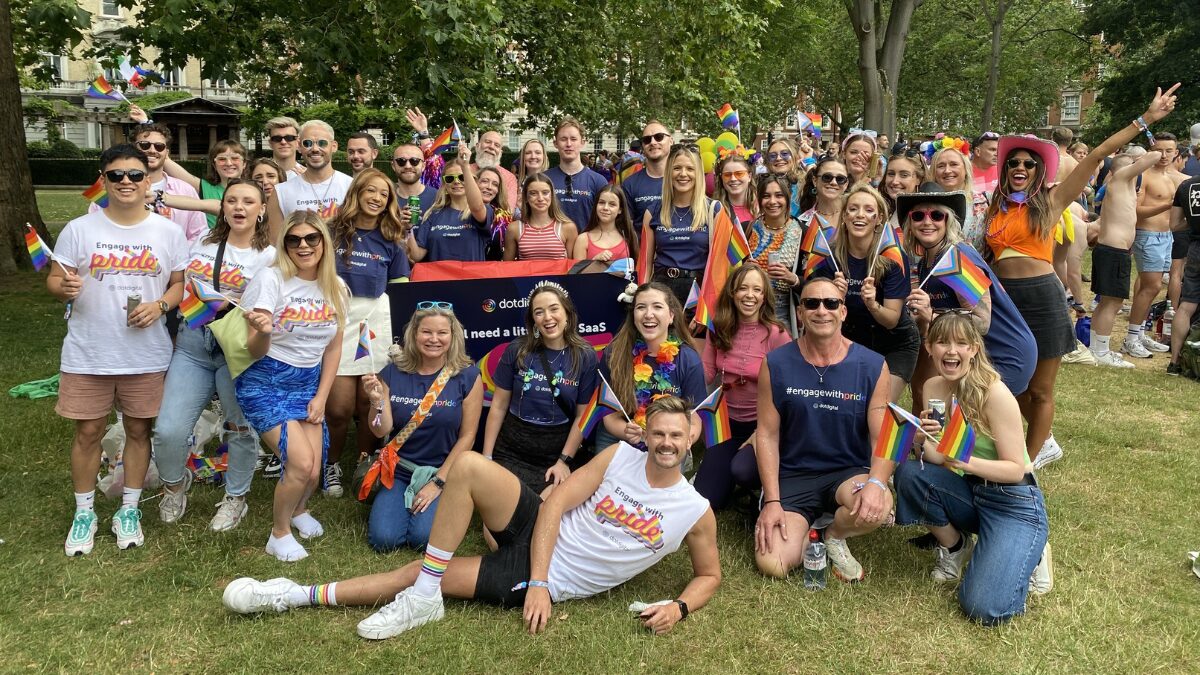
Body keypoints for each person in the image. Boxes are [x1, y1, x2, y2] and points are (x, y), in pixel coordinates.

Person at [222, 396, 720, 641]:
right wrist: (540, 579)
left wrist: (679, 606)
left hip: (545, 574)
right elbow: (556, 502)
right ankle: (425, 596)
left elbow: (710, 575)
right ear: (645, 433)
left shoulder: (694, 511)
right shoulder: (618, 458)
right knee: (468, 466)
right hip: (540, 538)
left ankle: (290, 593)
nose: (667, 444)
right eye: (658, 433)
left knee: (416, 573)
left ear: (690, 439)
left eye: (676, 436)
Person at [983, 84, 1180, 468]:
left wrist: (1147, 119)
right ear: (1005, 169)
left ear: (1039, 170)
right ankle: (1046, 440)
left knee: (1040, 389)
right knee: (1004, 383)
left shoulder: (1052, 200)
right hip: (1005, 300)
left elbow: (1099, 155)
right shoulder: (997, 206)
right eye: (1013, 164)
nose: (1020, 169)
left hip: (1041, 297)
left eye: (1028, 164)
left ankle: (1031, 457)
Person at [49, 144, 188, 555]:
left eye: (134, 174)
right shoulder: (80, 229)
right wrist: (65, 287)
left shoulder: (168, 232)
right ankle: (84, 511)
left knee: (138, 430)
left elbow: (180, 285)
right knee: (88, 431)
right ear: (103, 180)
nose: (126, 182)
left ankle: (129, 508)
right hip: (88, 350)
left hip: (146, 352)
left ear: (147, 180)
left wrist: (160, 304)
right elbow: (56, 283)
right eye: (116, 175)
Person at [894, 313, 1051, 625]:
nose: (951, 351)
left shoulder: (994, 393)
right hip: (971, 492)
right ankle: (956, 546)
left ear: (974, 349)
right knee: (910, 474)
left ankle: (1033, 549)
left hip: (1013, 502)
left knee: (983, 607)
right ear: (929, 347)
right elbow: (937, 458)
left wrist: (963, 461)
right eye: (942, 342)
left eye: (961, 343)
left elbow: (1015, 469)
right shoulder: (934, 387)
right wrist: (925, 436)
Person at [153, 179, 276, 531]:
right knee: (169, 430)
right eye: (232, 200)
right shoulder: (202, 242)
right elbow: (179, 283)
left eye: (248, 201)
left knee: (239, 428)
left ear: (261, 209)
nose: (239, 207)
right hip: (193, 347)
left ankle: (236, 498)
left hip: (236, 350)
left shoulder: (270, 255)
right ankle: (175, 486)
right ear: (222, 207)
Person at [754, 277, 892, 581]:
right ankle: (810, 528)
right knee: (772, 563)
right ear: (800, 312)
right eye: (811, 303)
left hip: (848, 472)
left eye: (831, 303)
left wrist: (877, 484)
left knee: (878, 508)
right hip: (794, 474)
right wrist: (772, 502)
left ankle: (832, 533)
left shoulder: (872, 365)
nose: (821, 310)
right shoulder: (775, 363)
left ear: (843, 312)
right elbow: (766, 434)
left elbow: (883, 436)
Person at [235, 211, 347, 562]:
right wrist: (264, 332)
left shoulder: (336, 287)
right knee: (299, 464)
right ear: (283, 245)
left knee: (314, 468)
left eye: (311, 238)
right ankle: (278, 532)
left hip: (309, 381)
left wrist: (322, 395)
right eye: (293, 239)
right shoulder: (271, 279)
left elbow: (334, 346)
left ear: (323, 243)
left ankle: (299, 510)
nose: (303, 245)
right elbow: (252, 350)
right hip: (265, 379)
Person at [358, 304, 483, 551]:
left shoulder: (468, 376)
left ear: (453, 336)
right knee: (384, 541)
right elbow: (381, 431)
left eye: (442, 333)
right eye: (426, 332)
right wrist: (375, 402)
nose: (434, 339)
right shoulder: (393, 373)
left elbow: (467, 437)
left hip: (444, 473)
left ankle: (450, 500)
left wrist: (437, 483)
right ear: (414, 334)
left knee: (422, 540)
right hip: (399, 470)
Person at [900, 184, 1036, 400]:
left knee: (976, 422)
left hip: (1003, 352)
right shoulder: (930, 261)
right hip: (970, 353)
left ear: (948, 221)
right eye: (918, 215)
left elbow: (982, 323)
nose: (927, 222)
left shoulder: (955, 259)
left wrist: (931, 316)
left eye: (936, 215)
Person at [322, 168, 411, 497]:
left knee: (366, 404)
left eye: (383, 194)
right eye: (370, 191)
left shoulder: (392, 239)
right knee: (338, 408)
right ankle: (330, 464)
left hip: (372, 326)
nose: (376, 198)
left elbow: (401, 291)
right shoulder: (331, 232)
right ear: (356, 194)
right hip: (337, 322)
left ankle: (363, 461)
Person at [482, 284, 599, 496]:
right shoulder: (517, 350)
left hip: (556, 451)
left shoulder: (585, 356)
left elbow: (583, 416)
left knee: (545, 509)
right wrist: (487, 458)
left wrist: (564, 461)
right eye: (539, 312)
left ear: (567, 314)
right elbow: (498, 406)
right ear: (533, 320)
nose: (547, 317)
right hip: (512, 449)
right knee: (501, 516)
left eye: (554, 309)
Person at [694, 264, 790, 509]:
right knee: (707, 501)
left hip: (762, 426)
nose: (750, 295)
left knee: (743, 471)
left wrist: (763, 433)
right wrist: (677, 378)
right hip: (726, 424)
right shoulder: (719, 328)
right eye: (743, 289)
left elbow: (788, 391)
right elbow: (705, 373)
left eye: (757, 290)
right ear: (732, 293)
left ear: (764, 296)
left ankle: (764, 482)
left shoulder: (777, 334)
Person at [814, 185, 920, 401]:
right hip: (852, 340)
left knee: (878, 410)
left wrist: (873, 304)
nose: (860, 215)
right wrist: (835, 298)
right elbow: (816, 311)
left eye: (868, 210)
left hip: (894, 342)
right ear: (844, 215)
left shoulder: (892, 258)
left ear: (879, 218)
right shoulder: (829, 257)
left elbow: (891, 319)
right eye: (853, 209)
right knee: (847, 408)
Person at [596, 283, 706, 451]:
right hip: (619, 438)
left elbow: (695, 417)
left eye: (657, 307)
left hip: (667, 444)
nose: (648, 314)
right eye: (641, 307)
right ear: (633, 315)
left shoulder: (688, 359)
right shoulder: (615, 353)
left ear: (671, 316)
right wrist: (629, 433)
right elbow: (609, 416)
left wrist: (682, 441)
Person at [1089, 152, 1162, 368]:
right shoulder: (1120, 179)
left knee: (1108, 302)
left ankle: (1097, 348)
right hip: (1113, 251)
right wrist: (1141, 152)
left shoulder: (1126, 186)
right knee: (1112, 302)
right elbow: (1154, 156)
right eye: (1134, 166)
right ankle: (1101, 351)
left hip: (1113, 250)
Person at [105, 107, 206, 242]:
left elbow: (198, 235)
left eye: (159, 146)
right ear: (133, 148)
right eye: (145, 145)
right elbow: (95, 228)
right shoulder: (112, 187)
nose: (152, 150)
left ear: (167, 153)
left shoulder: (186, 190)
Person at [1124, 133, 1185, 358]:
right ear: (1152, 149)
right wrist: (1168, 205)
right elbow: (1136, 210)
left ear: (1176, 152)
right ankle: (1130, 337)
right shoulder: (1144, 176)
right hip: (1147, 234)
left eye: (1169, 151)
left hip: (1167, 235)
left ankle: (1139, 332)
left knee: (1150, 286)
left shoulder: (1178, 177)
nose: (1164, 155)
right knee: (1152, 285)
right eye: (1160, 150)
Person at [644, 146, 722, 306]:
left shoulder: (714, 210)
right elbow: (645, 264)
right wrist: (644, 299)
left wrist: (708, 306)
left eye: (690, 169)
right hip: (661, 292)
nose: (683, 174)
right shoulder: (652, 211)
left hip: (698, 293)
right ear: (669, 173)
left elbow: (720, 267)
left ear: (698, 174)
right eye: (677, 168)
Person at [267, 120, 354, 239]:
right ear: (299, 146)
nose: (315, 149)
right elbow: (275, 244)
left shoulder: (351, 186)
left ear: (334, 146)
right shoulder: (280, 192)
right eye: (307, 143)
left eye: (322, 143)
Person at [410, 145, 493, 263]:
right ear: (444, 184)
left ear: (472, 180)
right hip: (440, 280)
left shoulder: (484, 210)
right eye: (450, 179)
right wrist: (407, 230)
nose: (456, 182)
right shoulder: (432, 214)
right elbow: (416, 256)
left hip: (472, 279)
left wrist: (465, 167)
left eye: (462, 177)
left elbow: (476, 207)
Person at [745, 174, 804, 333]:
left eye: (778, 195)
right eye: (766, 196)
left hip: (783, 309)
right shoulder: (747, 229)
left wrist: (793, 279)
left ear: (787, 198)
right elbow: (729, 269)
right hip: (748, 307)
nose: (772, 201)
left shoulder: (802, 232)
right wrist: (743, 269)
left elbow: (815, 279)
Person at [161, 138, 248, 229]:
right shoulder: (206, 188)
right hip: (216, 241)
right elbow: (171, 166)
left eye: (235, 158)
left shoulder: (255, 190)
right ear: (214, 165)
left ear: (244, 163)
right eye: (222, 159)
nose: (229, 163)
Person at [545, 117, 608, 231]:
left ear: (582, 142)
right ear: (555, 143)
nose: (568, 144)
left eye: (573, 139)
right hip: (552, 247)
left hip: (586, 246)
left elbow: (606, 222)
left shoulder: (598, 181)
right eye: (563, 139)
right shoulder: (545, 179)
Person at [1168, 165, 1200, 374]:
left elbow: (1174, 224)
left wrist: (1194, 223)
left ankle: (1174, 361)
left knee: (1186, 305)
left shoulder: (1187, 185)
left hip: (1196, 248)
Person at [504, 172, 577, 261]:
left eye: (545, 193)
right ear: (526, 197)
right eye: (533, 193)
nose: (540, 198)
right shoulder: (514, 228)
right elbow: (507, 267)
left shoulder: (567, 227)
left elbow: (572, 267)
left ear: (552, 195)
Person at [930, 144, 987, 251]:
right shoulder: (924, 203)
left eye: (954, 164)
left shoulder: (984, 201)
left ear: (966, 169)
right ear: (934, 172)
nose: (947, 170)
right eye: (941, 166)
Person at [622, 121, 673, 226]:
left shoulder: (685, 180)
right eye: (647, 139)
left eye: (659, 137)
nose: (653, 142)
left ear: (671, 141)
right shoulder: (629, 184)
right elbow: (627, 229)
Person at [572, 185, 635, 263]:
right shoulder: (583, 239)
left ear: (620, 210)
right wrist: (594, 261)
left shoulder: (628, 236)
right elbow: (577, 273)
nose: (605, 208)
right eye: (601, 202)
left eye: (612, 204)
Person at [797, 156, 850, 233]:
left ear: (846, 184)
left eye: (840, 179)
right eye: (827, 177)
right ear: (815, 181)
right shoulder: (803, 221)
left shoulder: (854, 214)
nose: (833, 182)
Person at [391, 143, 439, 226]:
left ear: (423, 166)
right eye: (401, 161)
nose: (408, 166)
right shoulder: (385, 198)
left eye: (414, 161)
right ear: (393, 166)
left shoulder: (439, 198)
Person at [472, 129, 519, 211]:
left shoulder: (509, 178)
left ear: (500, 152)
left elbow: (508, 212)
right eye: (487, 142)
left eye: (496, 145)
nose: (491, 147)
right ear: (477, 146)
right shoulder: (463, 171)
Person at [477, 166, 515, 261]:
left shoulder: (504, 218)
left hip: (492, 272)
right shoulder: (459, 212)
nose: (489, 187)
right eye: (484, 181)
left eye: (495, 184)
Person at [881, 150, 926, 226]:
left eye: (904, 175)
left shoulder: (925, 217)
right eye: (891, 174)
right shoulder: (885, 211)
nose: (895, 181)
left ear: (918, 179)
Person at [713, 154, 757, 229]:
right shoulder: (714, 209)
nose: (733, 179)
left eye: (739, 174)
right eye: (727, 175)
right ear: (721, 178)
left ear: (749, 176)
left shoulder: (763, 205)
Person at [765, 138, 805, 217]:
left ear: (795, 156)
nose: (778, 158)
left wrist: (808, 161)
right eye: (773, 155)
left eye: (784, 154)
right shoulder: (761, 185)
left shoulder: (805, 184)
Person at [971, 131, 1000, 197]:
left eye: (998, 150)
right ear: (978, 151)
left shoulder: (1001, 171)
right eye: (992, 150)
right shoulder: (963, 171)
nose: (997, 154)